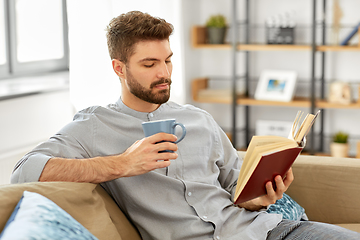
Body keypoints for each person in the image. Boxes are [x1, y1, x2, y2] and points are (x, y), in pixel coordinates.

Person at [11, 11, 360, 240]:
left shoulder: (198, 118)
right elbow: (24, 171)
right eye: (149, 64)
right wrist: (123, 164)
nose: (164, 73)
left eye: (167, 60)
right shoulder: (94, 126)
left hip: (264, 231)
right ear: (119, 68)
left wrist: (261, 195)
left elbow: (236, 184)